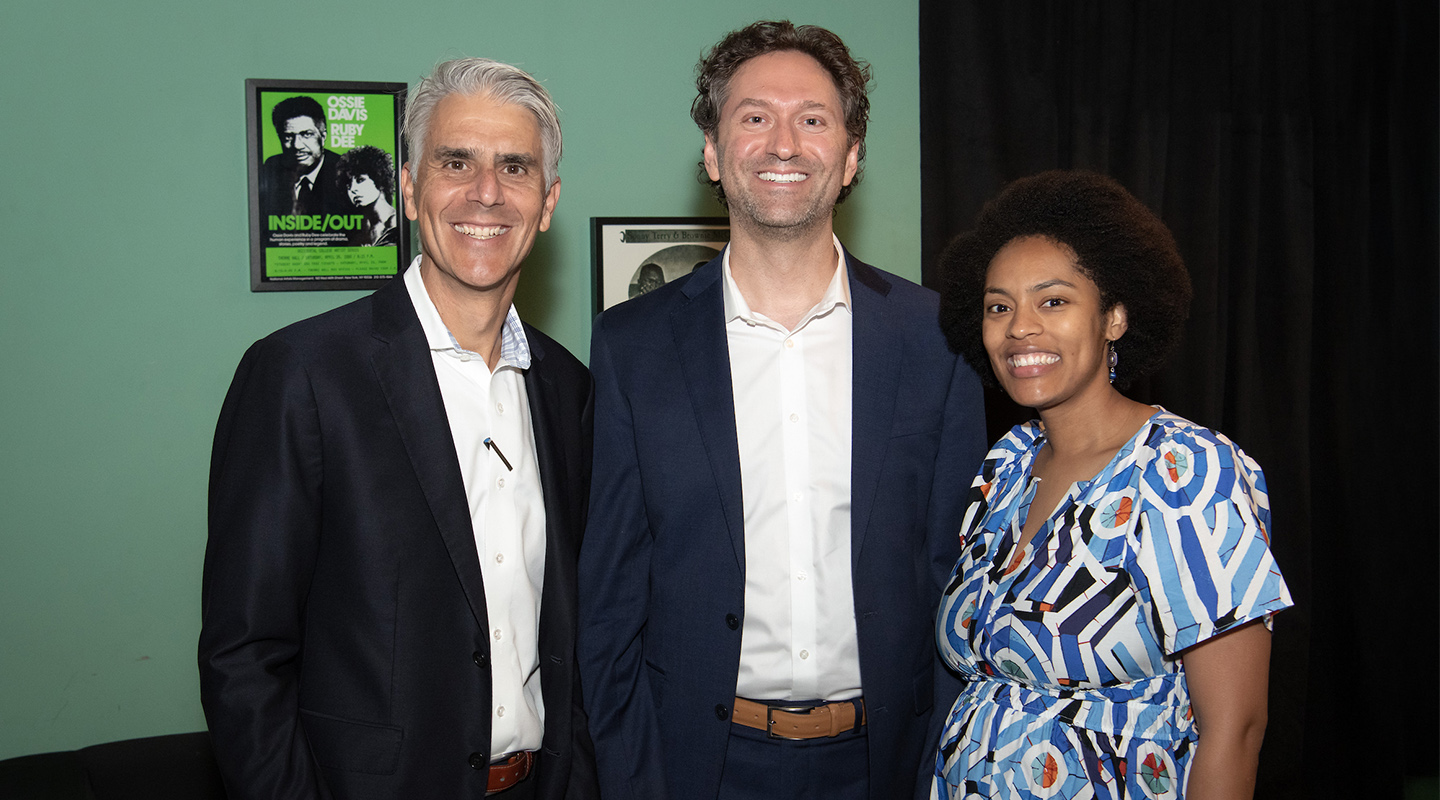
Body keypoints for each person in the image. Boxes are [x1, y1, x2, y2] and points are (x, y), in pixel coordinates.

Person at [579, 20, 987, 800]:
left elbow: (957, 578)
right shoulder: (633, 346)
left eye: (813, 118)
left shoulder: (937, 339)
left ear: (852, 154)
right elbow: (610, 597)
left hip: (887, 765)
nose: (784, 143)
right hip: (699, 764)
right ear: (711, 150)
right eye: (754, 116)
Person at [200, 58, 598, 800]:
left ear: (547, 202)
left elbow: (572, 631)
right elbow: (243, 656)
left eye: (515, 167)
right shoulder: (303, 375)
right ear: (411, 190)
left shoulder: (568, 389)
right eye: (456, 162)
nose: (487, 192)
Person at [931, 170, 1293, 798]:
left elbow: (1235, 728)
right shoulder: (1007, 465)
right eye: (999, 306)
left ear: (1116, 318)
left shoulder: (1185, 471)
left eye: (1053, 301)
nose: (1019, 328)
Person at [258, 95, 346, 218]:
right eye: (288, 136)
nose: (297, 145)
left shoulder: (346, 171)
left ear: (323, 136)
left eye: (307, 134)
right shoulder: (271, 168)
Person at [336, 145, 399, 246]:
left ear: (380, 179)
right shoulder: (362, 230)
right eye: (348, 185)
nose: (353, 189)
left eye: (360, 180)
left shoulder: (395, 224)